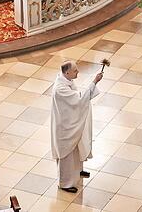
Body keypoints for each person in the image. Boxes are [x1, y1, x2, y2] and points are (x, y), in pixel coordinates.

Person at [51, 60, 104, 193]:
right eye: (75, 70)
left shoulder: (66, 81)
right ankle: (65, 183)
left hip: (70, 122)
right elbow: (79, 99)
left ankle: (77, 172)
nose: (78, 72)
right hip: (65, 127)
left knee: (76, 148)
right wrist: (94, 82)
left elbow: (78, 98)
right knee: (67, 152)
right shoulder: (60, 88)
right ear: (67, 72)